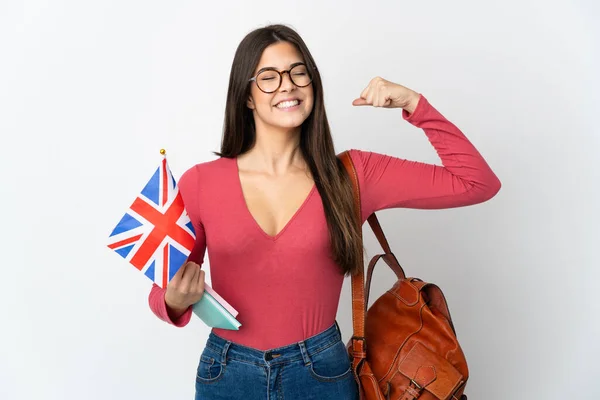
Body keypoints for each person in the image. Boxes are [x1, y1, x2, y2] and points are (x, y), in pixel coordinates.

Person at [148, 24, 501, 400]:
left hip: (320, 374)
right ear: (247, 96)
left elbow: (476, 183)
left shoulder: (354, 175)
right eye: (269, 77)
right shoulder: (200, 182)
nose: (287, 85)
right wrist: (174, 300)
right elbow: (161, 293)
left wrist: (415, 104)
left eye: (298, 72)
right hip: (228, 372)